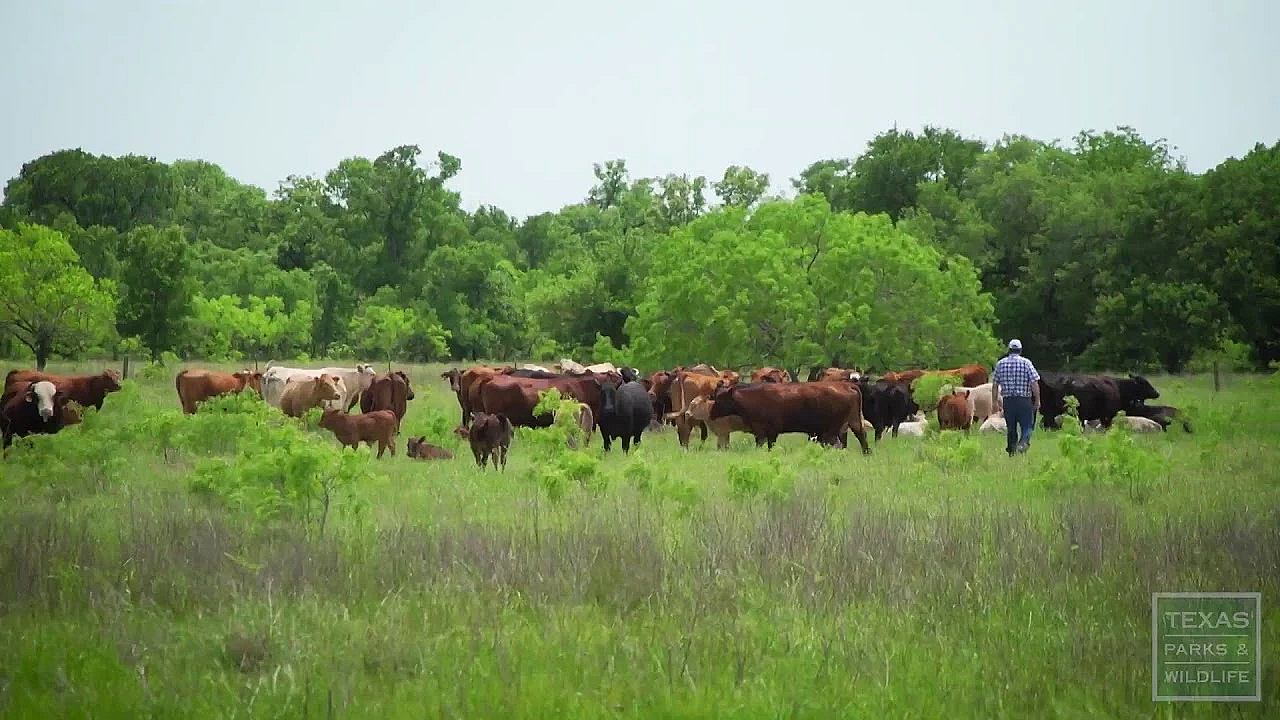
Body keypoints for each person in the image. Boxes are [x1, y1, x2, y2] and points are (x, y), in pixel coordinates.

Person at [990, 338, 1041, 456]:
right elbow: (1034, 383)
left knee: (1011, 428)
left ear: (1009, 350)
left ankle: (1012, 451)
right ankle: (1023, 443)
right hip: (1024, 400)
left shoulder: (1000, 364)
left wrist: (994, 402)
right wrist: (1037, 400)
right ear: (1020, 350)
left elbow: (995, 385)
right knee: (1027, 426)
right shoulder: (1026, 363)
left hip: (1008, 401)